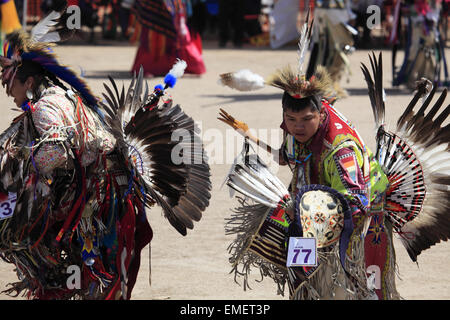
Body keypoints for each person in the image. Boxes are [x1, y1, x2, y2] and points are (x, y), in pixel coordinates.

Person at [0, 2, 211, 299]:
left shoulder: (45, 108)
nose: (4, 83)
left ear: (30, 80)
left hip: (100, 201)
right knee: (94, 276)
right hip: (103, 194)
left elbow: (57, 152)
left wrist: (25, 159)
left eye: (8, 75)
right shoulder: (58, 94)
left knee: (93, 277)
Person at [131, 0, 206, 76]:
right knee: (152, 37)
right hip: (152, 9)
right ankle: (150, 67)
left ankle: (171, 67)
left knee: (172, 37)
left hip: (169, 9)